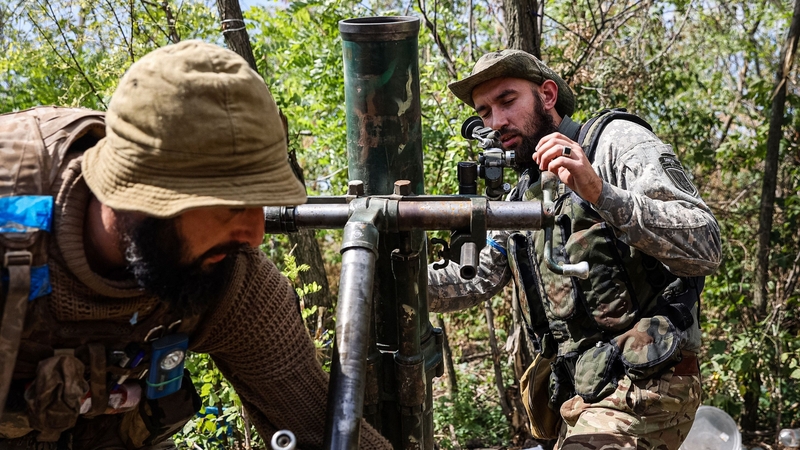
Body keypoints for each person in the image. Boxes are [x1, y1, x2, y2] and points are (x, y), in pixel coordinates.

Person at [0, 40, 391, 450]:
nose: (255, 235)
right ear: (140, 193)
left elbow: (317, 423)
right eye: (231, 207)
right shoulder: (14, 224)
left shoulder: (229, 277)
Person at [428, 49, 721, 449]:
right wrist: (385, 274)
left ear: (547, 95)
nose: (496, 122)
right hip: (577, 396)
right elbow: (474, 278)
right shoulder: (520, 194)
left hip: (650, 385)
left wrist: (600, 193)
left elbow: (705, 244)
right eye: (483, 112)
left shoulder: (614, 143)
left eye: (507, 101)